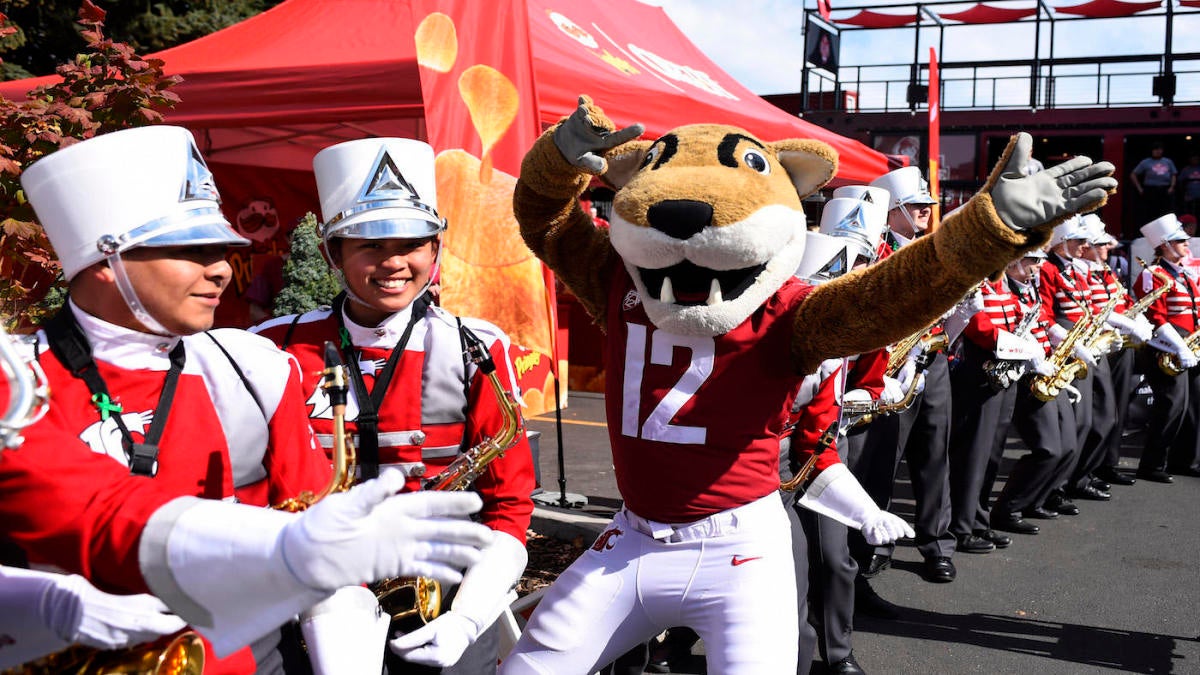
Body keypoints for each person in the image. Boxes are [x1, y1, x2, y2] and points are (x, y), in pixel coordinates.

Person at [0, 125, 494, 674]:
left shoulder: (250, 367)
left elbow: (323, 553)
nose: (219, 269)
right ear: (104, 263)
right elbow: (80, 505)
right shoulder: (17, 378)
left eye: (221, 249)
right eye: (190, 250)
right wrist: (37, 605)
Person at [252, 137, 536, 675]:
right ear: (330, 253)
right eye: (370, 246)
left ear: (436, 250)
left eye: (412, 244)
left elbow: (510, 502)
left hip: (446, 587)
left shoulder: (474, 345)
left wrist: (469, 616)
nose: (394, 263)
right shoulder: (273, 345)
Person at [850, 166, 958, 585]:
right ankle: (875, 546)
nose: (926, 212)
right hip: (891, 367)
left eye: (928, 205)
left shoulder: (932, 250)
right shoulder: (877, 253)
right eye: (915, 206)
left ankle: (937, 544)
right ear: (892, 210)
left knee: (935, 457)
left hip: (931, 361)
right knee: (882, 461)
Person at [1134, 214, 1200, 481]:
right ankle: (1152, 464)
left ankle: (1185, 461)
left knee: (1195, 405)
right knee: (1171, 405)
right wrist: (1179, 346)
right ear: (1165, 245)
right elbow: (1155, 317)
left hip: (1192, 344)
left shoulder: (1185, 273)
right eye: (1180, 241)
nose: (1187, 245)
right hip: (1167, 346)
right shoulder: (1153, 275)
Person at [1129, 144, 1178, 228]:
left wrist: (1172, 187)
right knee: (1150, 212)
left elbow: (1174, 174)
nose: (1158, 151)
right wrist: (1139, 188)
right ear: (1152, 151)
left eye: (1160, 149)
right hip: (1150, 190)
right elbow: (1133, 174)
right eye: (1156, 150)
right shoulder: (1146, 162)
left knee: (1165, 212)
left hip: (1165, 189)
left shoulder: (1167, 161)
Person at [1179, 154, 1200, 220]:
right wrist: (1183, 194)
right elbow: (1180, 181)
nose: (1194, 160)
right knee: (1190, 213)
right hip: (1189, 195)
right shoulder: (1186, 169)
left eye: (1196, 159)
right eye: (1193, 159)